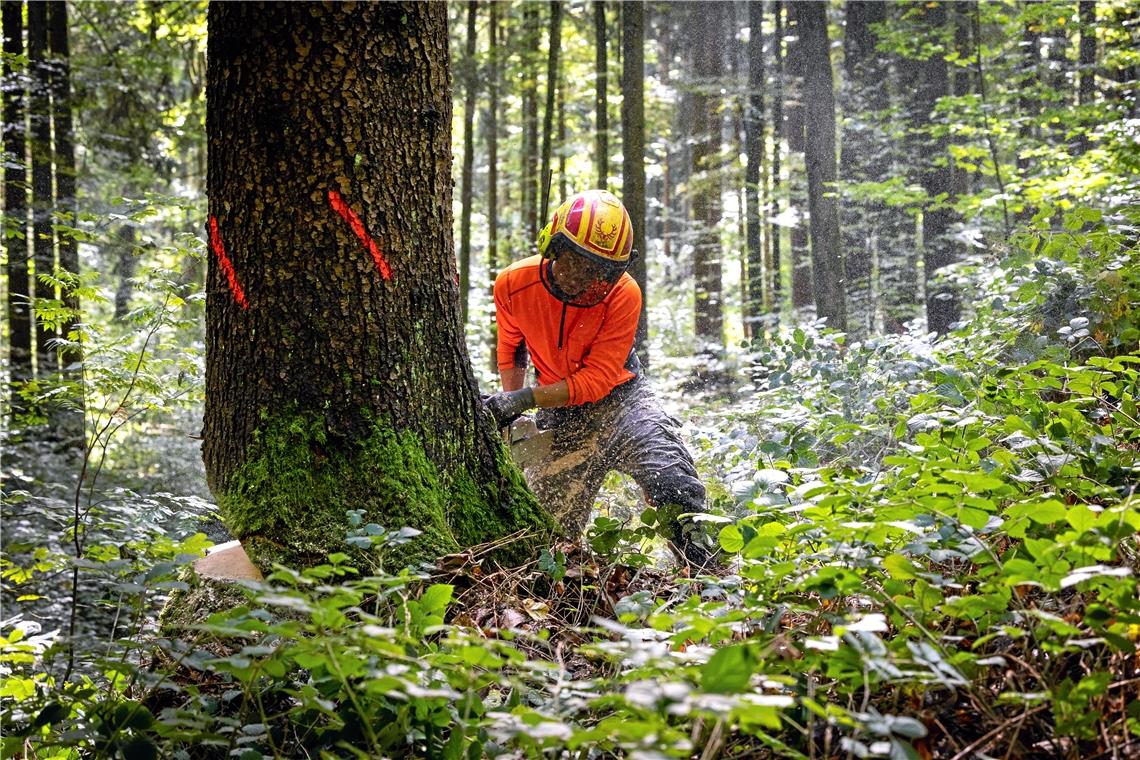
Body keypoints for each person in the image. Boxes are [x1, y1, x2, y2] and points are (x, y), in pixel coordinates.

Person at [483, 189, 716, 568]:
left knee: (673, 481)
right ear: (554, 245)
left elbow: (597, 379)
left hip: (623, 401)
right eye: (575, 261)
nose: (581, 277)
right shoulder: (513, 284)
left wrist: (525, 399)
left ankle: (706, 575)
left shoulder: (623, 294)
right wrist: (515, 408)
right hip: (559, 413)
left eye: (596, 271)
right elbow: (512, 348)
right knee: (548, 532)